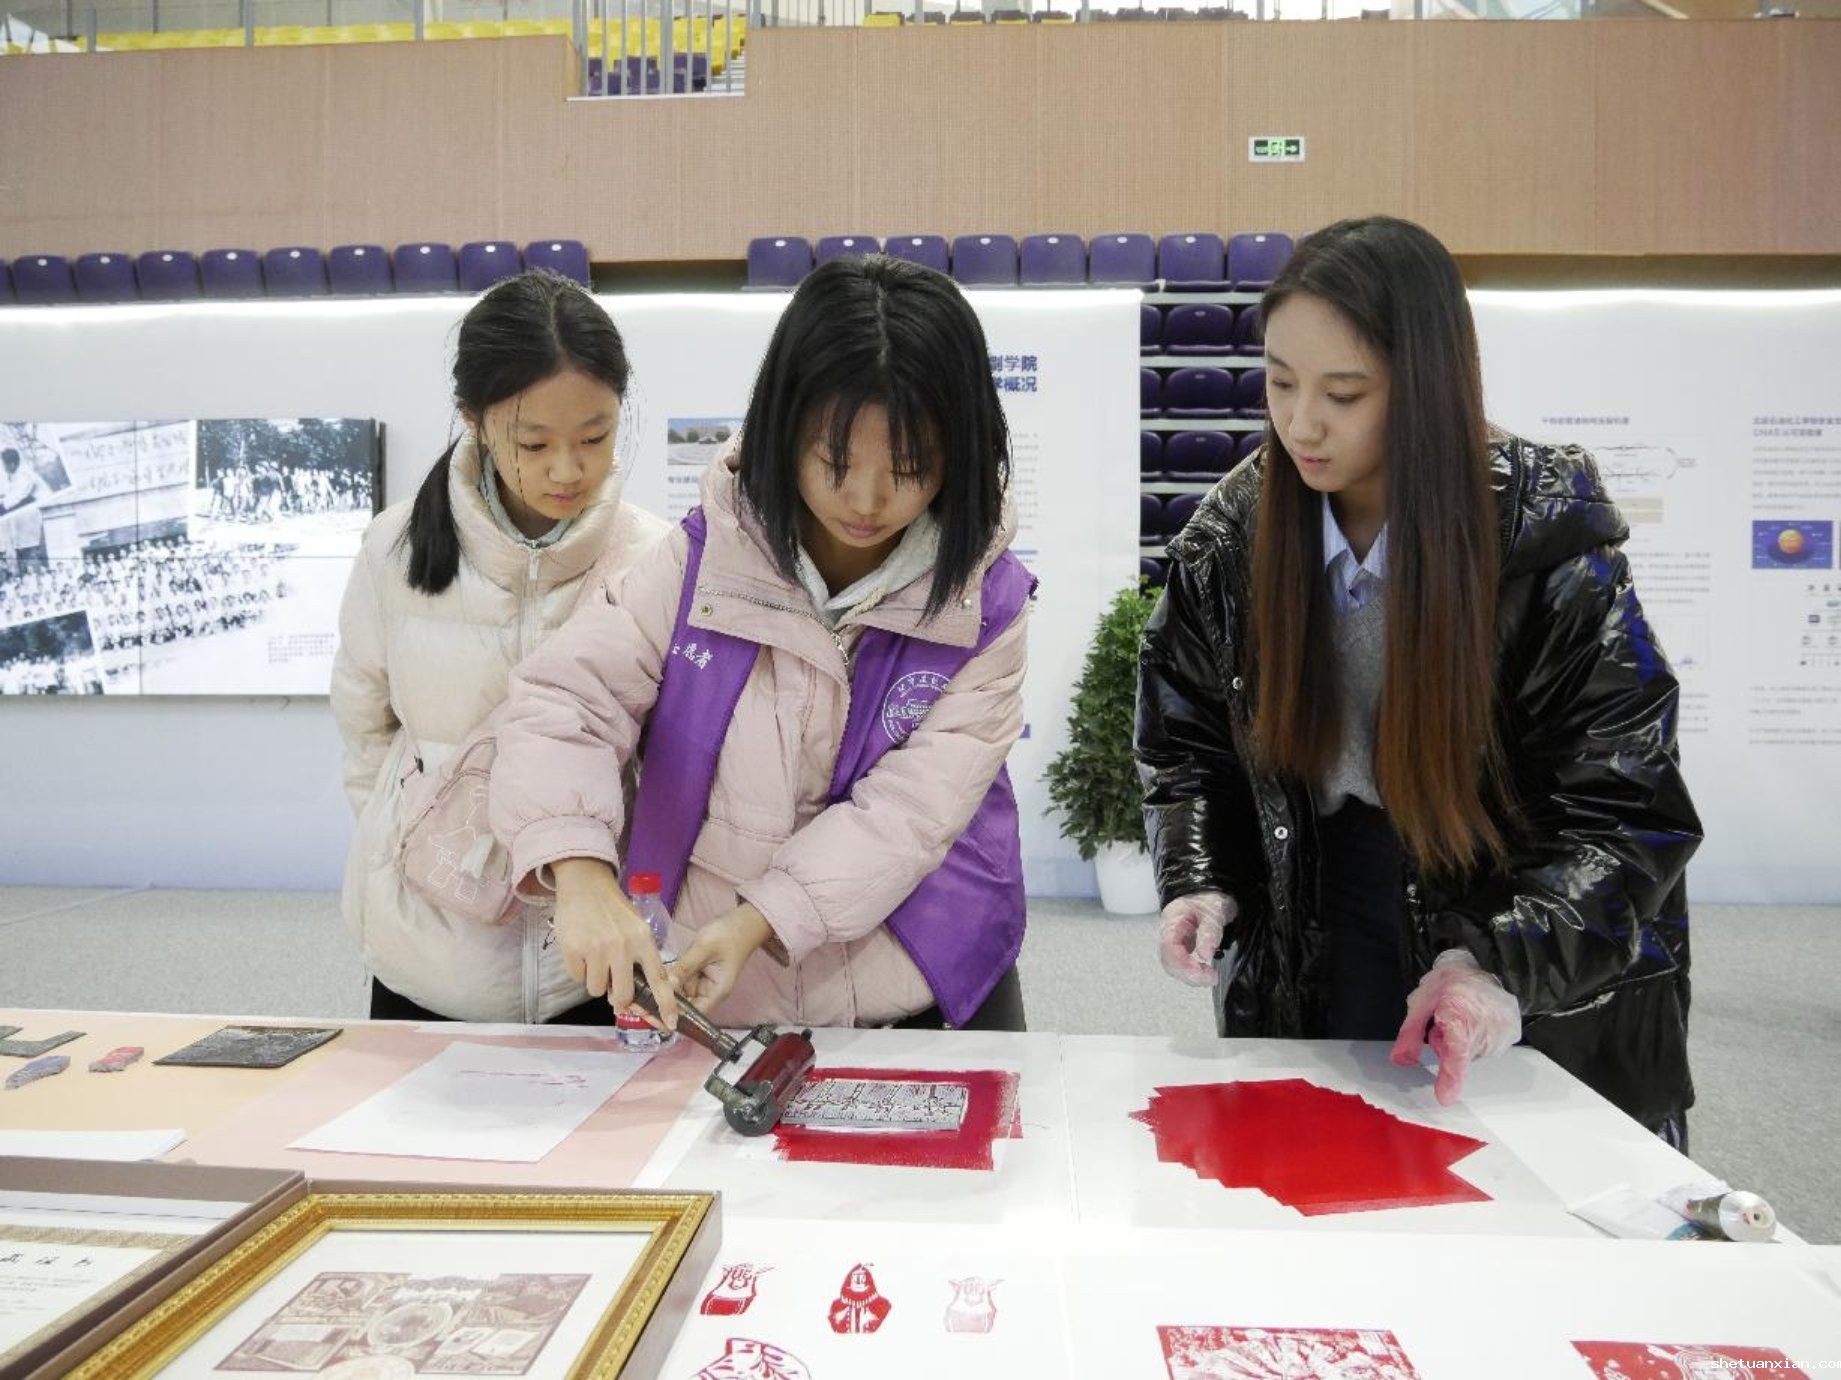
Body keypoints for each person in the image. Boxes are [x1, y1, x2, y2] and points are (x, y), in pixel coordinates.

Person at [1135, 216, 1699, 1141]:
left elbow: (1624, 808)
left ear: (1426, 385)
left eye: (1343, 393)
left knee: (1516, 1191)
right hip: (1320, 913)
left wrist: (1498, 965)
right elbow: (1188, 745)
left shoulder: (1544, 538)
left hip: (1517, 918)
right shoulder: (1230, 538)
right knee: (1330, 1174)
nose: (1300, 424)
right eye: (1278, 381)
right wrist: (1202, 878)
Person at [490, 255, 1031, 1033]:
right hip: (723, 985)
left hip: (917, 976)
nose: (868, 500)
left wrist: (761, 919)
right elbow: (564, 701)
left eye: (912, 467)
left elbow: (910, 811)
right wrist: (575, 867)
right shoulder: (702, 558)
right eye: (834, 461)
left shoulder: (988, 603)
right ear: (784, 428)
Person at [331, 269, 669, 1023]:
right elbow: (365, 724)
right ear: (475, 421)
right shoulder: (395, 549)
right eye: (533, 442)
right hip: (426, 948)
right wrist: (400, 837)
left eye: (595, 438)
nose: (566, 470)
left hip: (590, 955)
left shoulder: (657, 558)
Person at [1, 448, 50, 572]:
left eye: (4, 464)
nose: (3, 467)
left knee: (31, 545)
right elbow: (7, 495)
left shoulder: (24, 475)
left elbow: (15, 499)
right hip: (26, 510)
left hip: (41, 509)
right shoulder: (12, 476)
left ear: (12, 464)